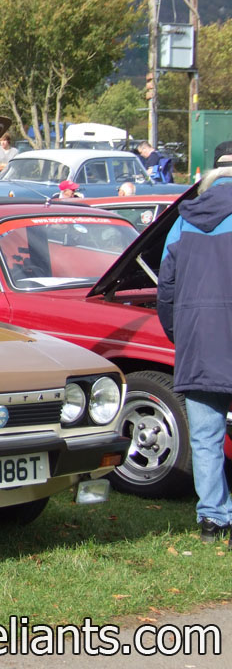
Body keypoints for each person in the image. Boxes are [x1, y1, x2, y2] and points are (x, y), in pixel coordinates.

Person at [158, 166, 232, 544]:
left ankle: (213, 521)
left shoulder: (183, 223)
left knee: (205, 437)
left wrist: (179, 334)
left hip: (200, 342)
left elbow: (165, 287)